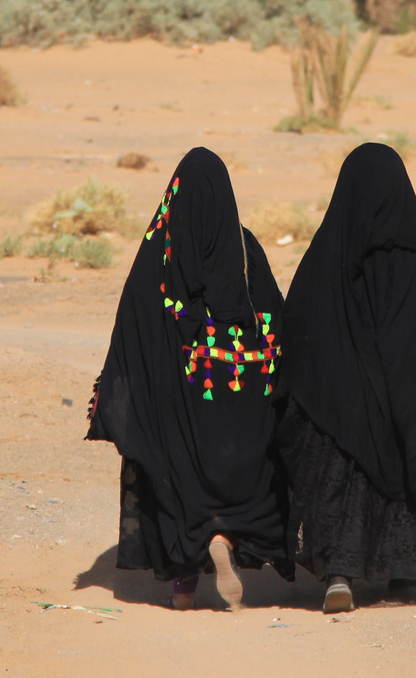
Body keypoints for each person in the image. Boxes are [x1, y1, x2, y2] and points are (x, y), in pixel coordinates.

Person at [278, 142, 416, 614]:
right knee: (407, 464)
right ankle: (409, 577)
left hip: (336, 403)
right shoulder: (408, 257)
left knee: (339, 472)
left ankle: (339, 573)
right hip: (392, 404)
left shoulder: (323, 255)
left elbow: (297, 334)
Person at [86, 147, 293, 610]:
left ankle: (183, 584)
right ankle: (224, 535)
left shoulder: (156, 253)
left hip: (176, 391)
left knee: (174, 473)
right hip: (233, 390)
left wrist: (120, 396)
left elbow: (132, 331)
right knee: (238, 471)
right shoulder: (244, 248)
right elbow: (274, 317)